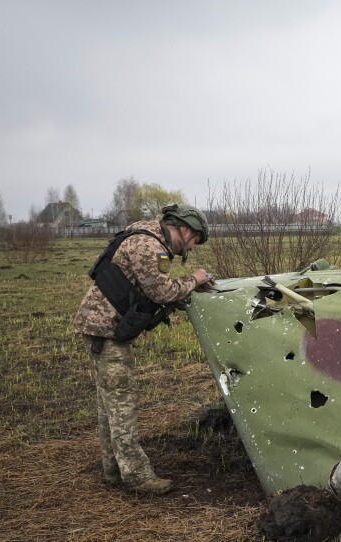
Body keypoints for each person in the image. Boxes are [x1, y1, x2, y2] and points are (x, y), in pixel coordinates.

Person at [73, 203, 215, 494]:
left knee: (109, 403)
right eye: (191, 242)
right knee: (121, 403)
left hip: (99, 325)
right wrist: (195, 279)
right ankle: (137, 477)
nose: (187, 250)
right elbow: (162, 291)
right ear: (185, 230)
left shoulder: (143, 234)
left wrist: (188, 284)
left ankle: (113, 470)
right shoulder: (152, 246)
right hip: (106, 328)